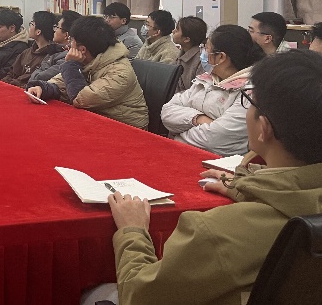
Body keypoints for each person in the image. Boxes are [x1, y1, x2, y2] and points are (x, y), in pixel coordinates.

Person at [94, 49, 322, 305]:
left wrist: (132, 231)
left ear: (264, 128)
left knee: (96, 292)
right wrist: (248, 185)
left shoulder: (216, 232)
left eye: (248, 101)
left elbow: (138, 295)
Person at [160, 25, 265, 156]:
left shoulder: (250, 91)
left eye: (206, 49)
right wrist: (198, 119)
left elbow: (215, 140)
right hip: (184, 152)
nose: (203, 54)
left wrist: (178, 135)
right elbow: (167, 111)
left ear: (221, 57)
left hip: (219, 162)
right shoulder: (208, 78)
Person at [27, 16, 148, 129]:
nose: (69, 45)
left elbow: (80, 99)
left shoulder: (120, 73)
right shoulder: (93, 56)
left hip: (126, 129)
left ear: (82, 49)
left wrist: (71, 65)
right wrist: (45, 88)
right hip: (97, 119)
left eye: (71, 41)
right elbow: (64, 82)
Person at [2, 11, 61, 87]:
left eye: (32, 24)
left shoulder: (50, 57)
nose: (29, 27)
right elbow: (12, 73)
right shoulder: (27, 52)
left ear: (38, 32)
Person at [28, 10, 81, 83]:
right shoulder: (54, 49)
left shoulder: (68, 57)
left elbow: (38, 78)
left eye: (57, 27)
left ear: (66, 35)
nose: (54, 30)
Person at [171, 15, 208, 92]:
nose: (173, 31)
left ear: (187, 39)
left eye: (177, 30)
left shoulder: (202, 61)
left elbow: (198, 91)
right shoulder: (181, 55)